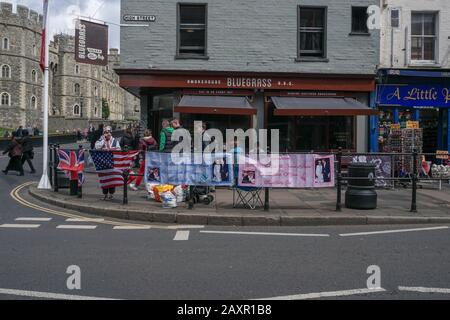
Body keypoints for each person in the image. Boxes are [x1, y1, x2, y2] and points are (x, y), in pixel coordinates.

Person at [95, 126, 121, 200]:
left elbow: (119, 150)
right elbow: (96, 147)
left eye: (109, 132)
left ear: (111, 132)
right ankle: (105, 194)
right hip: (103, 163)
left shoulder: (115, 141)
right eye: (106, 132)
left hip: (112, 163)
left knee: (112, 179)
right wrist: (103, 140)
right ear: (104, 133)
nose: (108, 133)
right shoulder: (100, 140)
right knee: (104, 179)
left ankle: (111, 194)